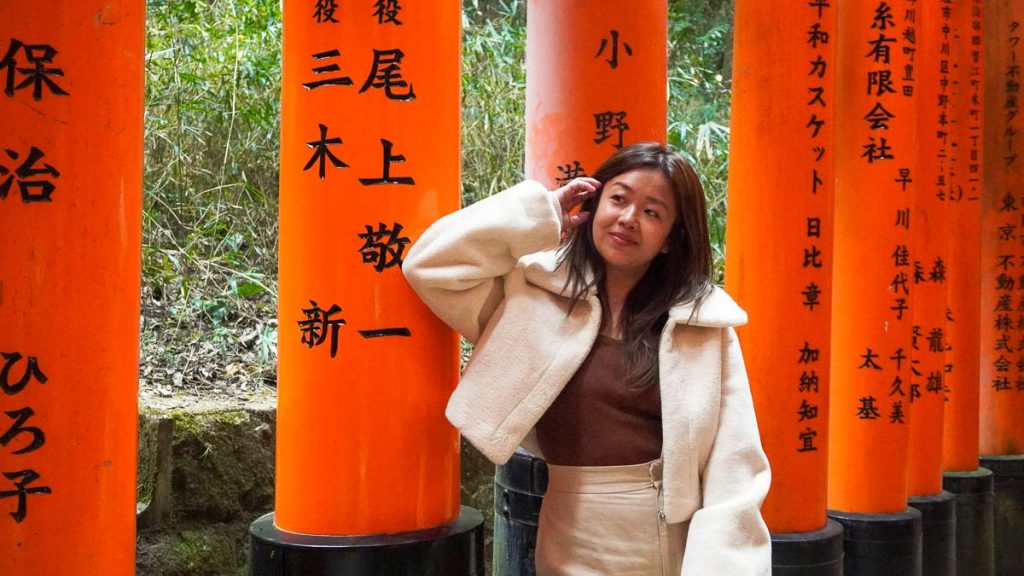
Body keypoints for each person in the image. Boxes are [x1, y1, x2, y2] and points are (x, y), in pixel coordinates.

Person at [403, 142, 770, 575]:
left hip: (662, 535)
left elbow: (735, 464)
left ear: (672, 239)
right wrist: (543, 216)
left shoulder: (700, 323)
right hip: (565, 524)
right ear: (595, 206)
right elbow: (430, 266)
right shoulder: (534, 294)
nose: (629, 218)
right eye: (618, 198)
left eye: (653, 212)